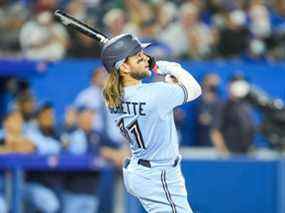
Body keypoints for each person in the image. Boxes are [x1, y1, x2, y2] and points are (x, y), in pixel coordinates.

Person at [101, 33, 201, 212]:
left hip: (140, 171)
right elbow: (194, 89)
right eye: (138, 56)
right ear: (123, 67)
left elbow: (153, 100)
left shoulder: (112, 96)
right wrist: (164, 66)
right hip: (158, 174)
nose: (146, 58)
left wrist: (169, 86)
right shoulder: (155, 94)